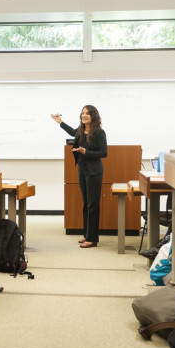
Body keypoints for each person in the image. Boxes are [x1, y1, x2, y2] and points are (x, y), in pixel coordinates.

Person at [51, 106, 108, 248]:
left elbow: (103, 153)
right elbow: (72, 132)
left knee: (93, 204)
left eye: (87, 113)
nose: (84, 115)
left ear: (93, 116)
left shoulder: (99, 132)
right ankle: (86, 234)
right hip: (82, 170)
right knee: (86, 203)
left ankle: (93, 239)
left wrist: (86, 152)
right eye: (83, 113)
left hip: (94, 171)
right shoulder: (81, 131)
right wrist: (60, 122)